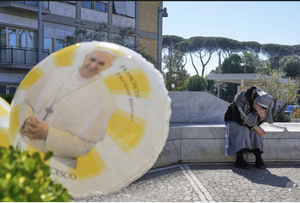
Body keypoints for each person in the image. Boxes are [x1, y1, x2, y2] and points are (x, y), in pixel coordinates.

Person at [18, 49, 116, 168]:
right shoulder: (56, 73)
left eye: (101, 63)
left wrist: (48, 134)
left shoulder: (104, 99)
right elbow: (28, 102)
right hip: (24, 149)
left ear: (108, 67)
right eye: (92, 59)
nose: (93, 65)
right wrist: (27, 119)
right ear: (86, 57)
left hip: (58, 164)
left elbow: (84, 146)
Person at [224, 86, 274, 169]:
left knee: (256, 131)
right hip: (233, 120)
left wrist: (261, 117)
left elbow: (258, 122)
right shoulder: (241, 98)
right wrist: (254, 126)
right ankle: (239, 159)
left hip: (247, 123)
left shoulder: (264, 105)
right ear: (255, 101)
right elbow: (238, 118)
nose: (259, 110)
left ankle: (258, 158)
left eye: (262, 110)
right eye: (258, 108)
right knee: (243, 129)